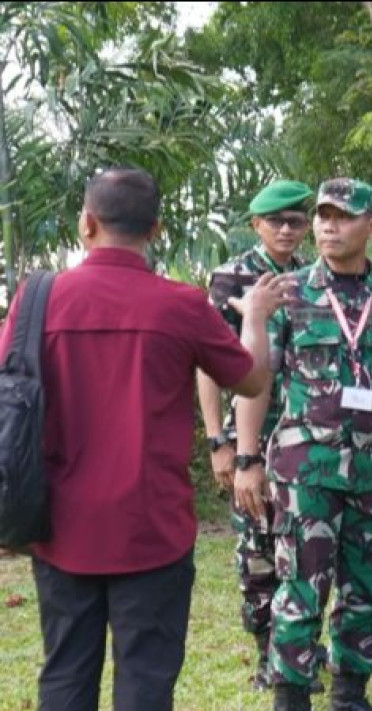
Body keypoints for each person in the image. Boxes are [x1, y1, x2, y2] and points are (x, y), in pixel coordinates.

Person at [0, 167, 288, 711]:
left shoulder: (37, 300)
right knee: (146, 687)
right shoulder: (180, 306)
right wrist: (254, 318)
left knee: (63, 677)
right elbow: (250, 379)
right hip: (152, 532)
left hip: (60, 528)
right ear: (155, 229)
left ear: (86, 223)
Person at [235, 178, 372, 711]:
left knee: (365, 584)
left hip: (370, 471)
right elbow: (254, 381)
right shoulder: (287, 294)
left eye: (343, 216)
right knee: (299, 586)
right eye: (322, 215)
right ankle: (291, 696)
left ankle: (350, 693)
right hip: (304, 473)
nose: (328, 224)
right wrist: (246, 459)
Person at [196, 179, 318, 692]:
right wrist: (217, 441)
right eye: (277, 222)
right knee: (258, 547)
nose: (287, 230)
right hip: (250, 436)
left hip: (305, 433)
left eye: (296, 221)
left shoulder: (315, 276)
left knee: (307, 544)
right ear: (256, 225)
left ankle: (300, 648)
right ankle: (268, 653)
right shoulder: (233, 278)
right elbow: (207, 362)